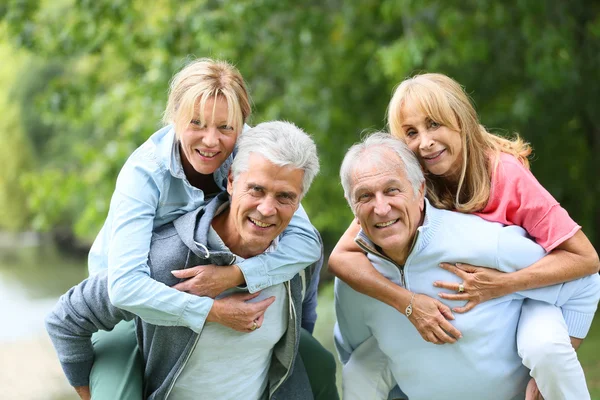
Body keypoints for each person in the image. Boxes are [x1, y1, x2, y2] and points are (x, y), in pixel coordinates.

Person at [328, 73, 599, 398]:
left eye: (434, 124)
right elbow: (342, 257)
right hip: (471, 322)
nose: (425, 141)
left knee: (546, 351)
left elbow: (585, 258)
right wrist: (409, 303)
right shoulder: (412, 184)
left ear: (462, 121)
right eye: (411, 132)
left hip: (531, 293)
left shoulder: (505, 175)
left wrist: (502, 285)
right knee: (364, 368)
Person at [85, 59, 334, 399]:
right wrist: (214, 312)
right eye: (196, 123)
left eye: (225, 128)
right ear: (175, 118)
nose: (211, 140)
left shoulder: (248, 153)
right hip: (125, 309)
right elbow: (125, 289)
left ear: (241, 125)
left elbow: (306, 243)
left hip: (206, 276)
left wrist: (234, 277)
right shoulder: (144, 173)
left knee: (318, 364)